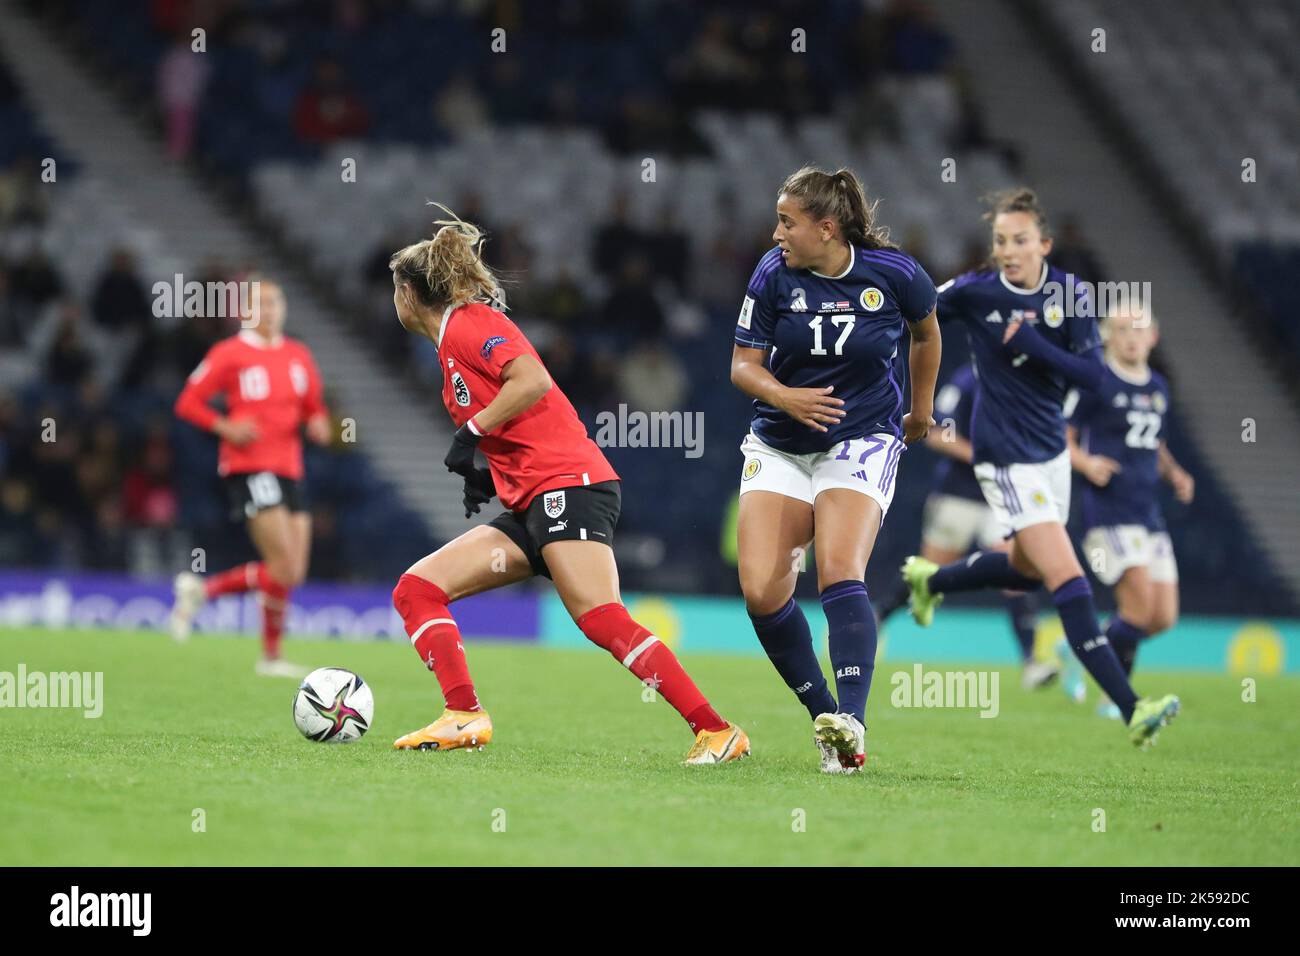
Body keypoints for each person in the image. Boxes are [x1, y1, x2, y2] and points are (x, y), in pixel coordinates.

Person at [386, 205, 748, 765]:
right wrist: (482, 471)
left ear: (408, 295)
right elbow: (517, 420)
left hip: (571, 486)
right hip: (533, 499)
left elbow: (531, 379)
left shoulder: (471, 324)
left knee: (600, 615)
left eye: (394, 290)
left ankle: (717, 730)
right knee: (417, 589)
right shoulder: (448, 352)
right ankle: (463, 714)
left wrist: (473, 431)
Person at [898, 188, 1179, 747]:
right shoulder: (975, 292)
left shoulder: (1069, 295)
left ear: (1044, 244)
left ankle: (932, 580)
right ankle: (1132, 709)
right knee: (1066, 576)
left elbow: (1095, 378)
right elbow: (918, 315)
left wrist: (1030, 344)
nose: (1009, 249)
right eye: (1000, 240)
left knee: (1025, 570)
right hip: (1004, 459)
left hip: (1051, 456)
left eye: (1020, 240)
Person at [730, 166, 941, 773]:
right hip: (780, 442)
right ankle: (826, 719)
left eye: (787, 223)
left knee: (839, 569)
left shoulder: (896, 274)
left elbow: (927, 334)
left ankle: (852, 719)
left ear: (826, 228)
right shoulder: (772, 275)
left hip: (862, 436)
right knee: (761, 591)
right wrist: (785, 396)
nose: (776, 234)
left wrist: (921, 408)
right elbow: (743, 365)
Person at [169, 277, 331, 677]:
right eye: (261, 303)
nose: (270, 309)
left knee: (292, 571)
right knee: (281, 563)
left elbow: (314, 407)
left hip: (290, 469)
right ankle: (270, 657)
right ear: (244, 312)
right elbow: (187, 402)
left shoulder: (299, 354)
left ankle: (202, 592)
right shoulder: (229, 353)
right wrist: (224, 426)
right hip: (250, 467)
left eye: (276, 301)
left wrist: (320, 424)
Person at [875, 362, 1056, 690]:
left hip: (1002, 499)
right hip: (959, 494)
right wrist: (980, 456)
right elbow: (936, 434)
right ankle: (877, 618)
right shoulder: (968, 378)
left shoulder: (1025, 380)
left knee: (1015, 571)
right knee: (928, 571)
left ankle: (1032, 661)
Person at [1063, 306, 1194, 716]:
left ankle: (1081, 647)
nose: (1131, 337)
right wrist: (1085, 463)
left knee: (1162, 617)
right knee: (1136, 609)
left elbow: (1153, 442)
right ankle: (1116, 700)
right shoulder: (1096, 380)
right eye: (1121, 330)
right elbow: (1060, 435)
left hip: (1147, 512)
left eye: (1138, 329)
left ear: (1153, 336)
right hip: (1108, 512)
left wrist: (1174, 473)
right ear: (1108, 338)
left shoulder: (1158, 386)